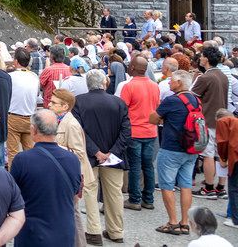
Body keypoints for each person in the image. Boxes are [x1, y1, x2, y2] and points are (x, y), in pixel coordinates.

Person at [9, 109, 83, 246]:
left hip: (32, 233)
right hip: (64, 232)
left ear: (33, 130)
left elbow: (11, 196)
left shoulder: (22, 160)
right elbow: (76, 195)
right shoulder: (73, 159)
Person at [74, 69, 130, 245]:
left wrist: (95, 152)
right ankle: (116, 231)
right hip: (114, 156)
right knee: (114, 194)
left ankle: (94, 231)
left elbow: (79, 131)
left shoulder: (78, 102)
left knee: (90, 192)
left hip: (90, 156)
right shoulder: (119, 102)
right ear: (105, 83)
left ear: (87, 84)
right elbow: (126, 131)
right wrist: (112, 152)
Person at [150, 68, 199, 237]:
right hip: (191, 147)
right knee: (186, 185)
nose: (169, 82)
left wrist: (163, 118)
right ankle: (185, 222)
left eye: (172, 80)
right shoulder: (196, 100)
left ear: (179, 83)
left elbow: (152, 118)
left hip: (171, 148)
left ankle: (172, 222)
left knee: (167, 185)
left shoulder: (172, 100)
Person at [51, 88, 95, 247]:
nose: (49, 105)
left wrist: (55, 149)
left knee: (73, 213)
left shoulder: (71, 124)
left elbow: (79, 153)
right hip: (65, 174)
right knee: (70, 212)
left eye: (54, 103)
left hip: (73, 176)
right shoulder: (60, 120)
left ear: (65, 106)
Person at [118, 54, 159, 211]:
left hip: (134, 131)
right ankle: (148, 199)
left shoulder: (129, 86)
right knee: (148, 165)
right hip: (150, 130)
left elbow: (123, 110)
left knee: (135, 166)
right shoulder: (154, 86)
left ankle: (134, 199)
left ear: (133, 68)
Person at [194, 45, 230, 199]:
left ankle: (208, 188)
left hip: (208, 120)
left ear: (207, 59)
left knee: (208, 155)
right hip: (223, 119)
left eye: (202, 56)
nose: (200, 58)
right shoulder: (223, 75)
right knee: (221, 154)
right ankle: (221, 187)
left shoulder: (205, 77)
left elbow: (192, 96)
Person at [7, 47, 40, 168]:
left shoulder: (10, 77)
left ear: (15, 61)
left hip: (13, 116)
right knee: (30, 151)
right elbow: (37, 94)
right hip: (30, 117)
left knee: (13, 153)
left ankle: (13, 177)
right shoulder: (34, 77)